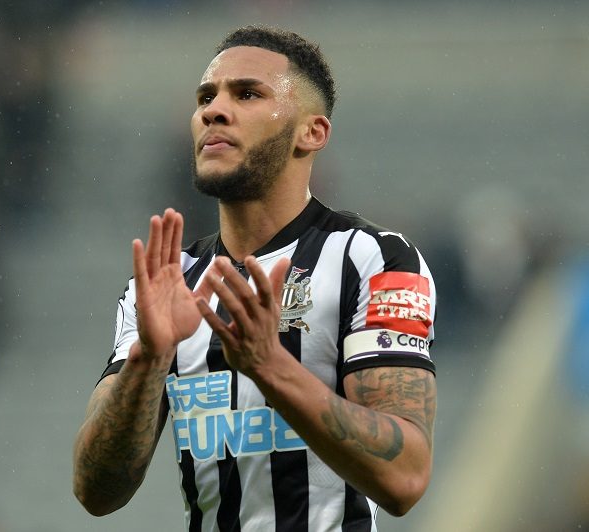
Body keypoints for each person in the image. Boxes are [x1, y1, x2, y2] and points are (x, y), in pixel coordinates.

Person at [73, 26, 438, 531]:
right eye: (206, 97)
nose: (213, 111)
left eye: (247, 94)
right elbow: (95, 491)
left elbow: (405, 477)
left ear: (312, 133)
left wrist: (270, 366)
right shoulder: (165, 284)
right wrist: (149, 360)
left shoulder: (373, 259)